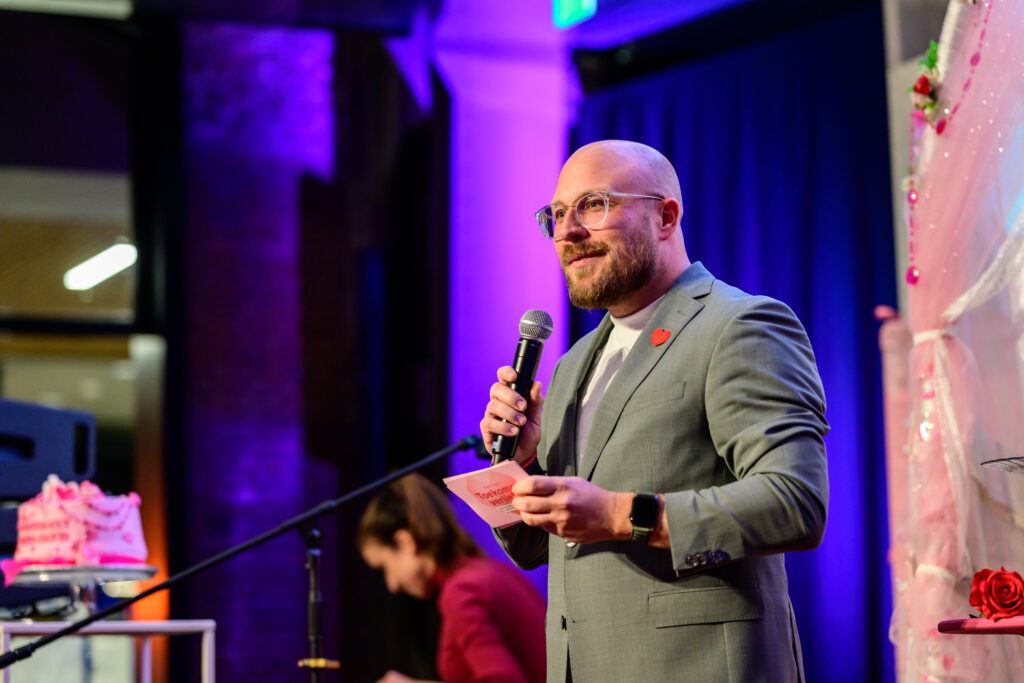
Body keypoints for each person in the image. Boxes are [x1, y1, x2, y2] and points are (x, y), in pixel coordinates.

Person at [480, 140, 829, 682]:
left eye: (593, 204)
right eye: (558, 214)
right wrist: (521, 467)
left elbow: (795, 502)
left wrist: (621, 515)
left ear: (665, 217)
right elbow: (534, 548)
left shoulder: (738, 326)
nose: (568, 231)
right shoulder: (571, 364)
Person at [358, 473, 547, 683]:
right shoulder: (488, 571)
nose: (392, 585)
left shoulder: (461, 591)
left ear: (405, 543)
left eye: (385, 567)